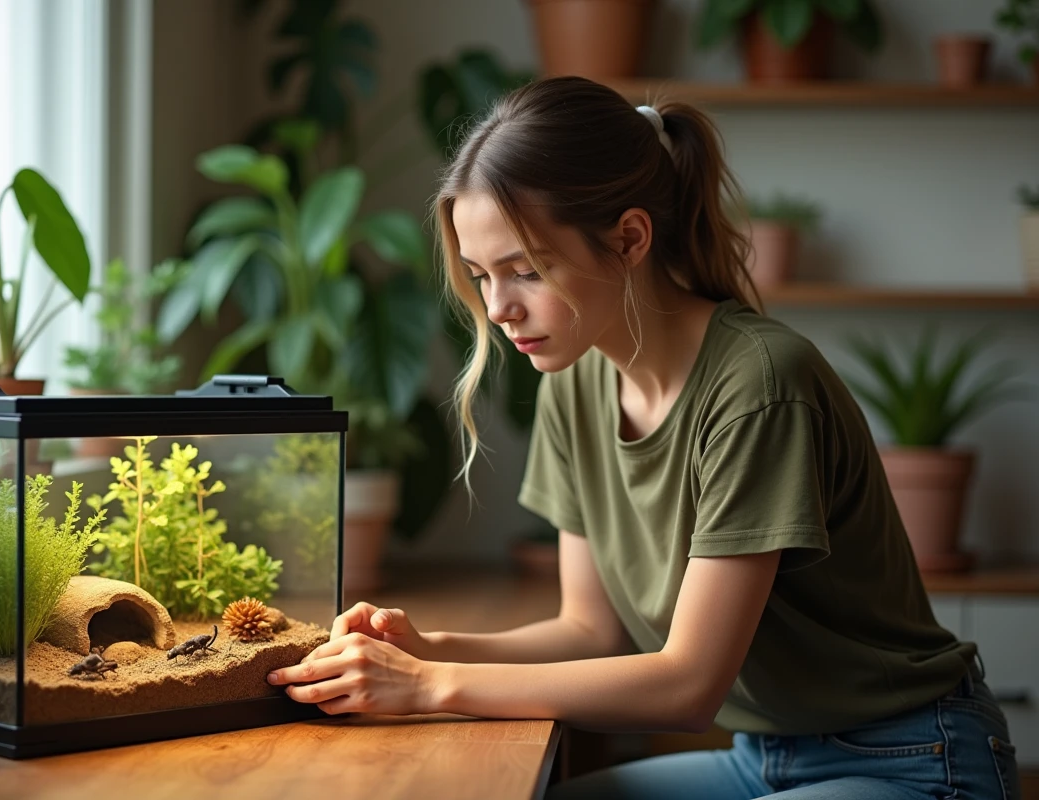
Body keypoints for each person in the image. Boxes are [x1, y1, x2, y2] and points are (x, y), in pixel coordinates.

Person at [264, 76, 1020, 799]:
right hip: (767, 758)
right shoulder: (573, 385)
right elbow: (591, 629)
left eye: (524, 270)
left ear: (629, 238)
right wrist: (427, 648)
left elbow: (689, 684)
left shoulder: (758, 384)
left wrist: (428, 687)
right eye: (480, 276)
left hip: (914, 761)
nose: (499, 309)